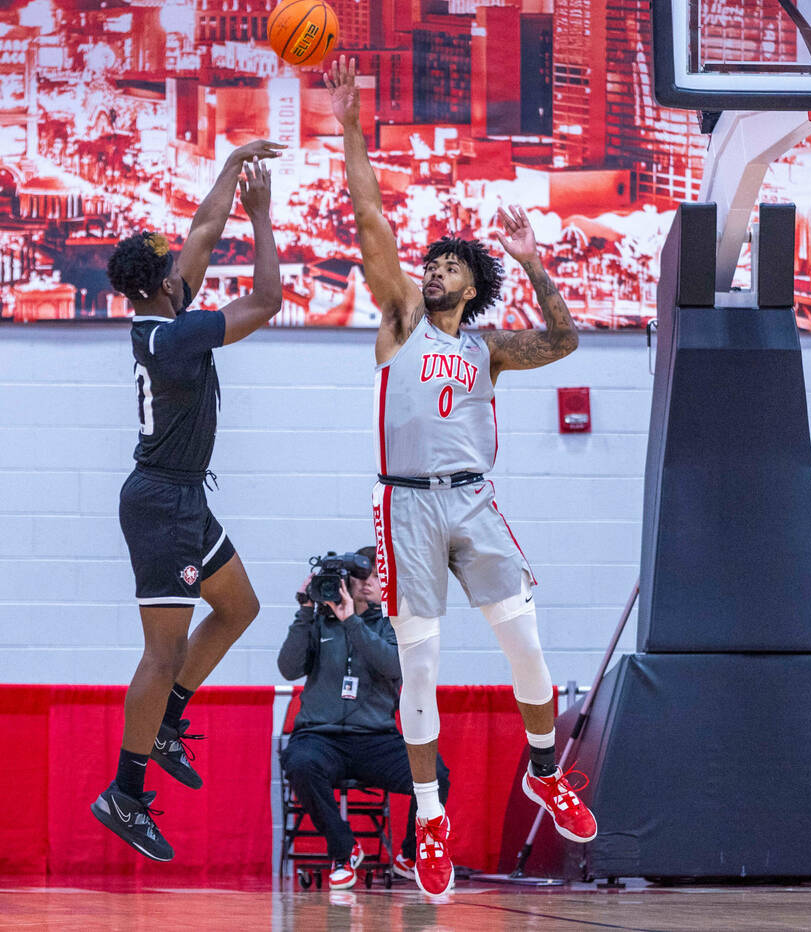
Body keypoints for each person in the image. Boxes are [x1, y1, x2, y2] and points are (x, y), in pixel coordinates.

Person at [324, 56, 594, 897]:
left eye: (449, 263)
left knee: (527, 645)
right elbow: (371, 219)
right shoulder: (402, 320)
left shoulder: (488, 348)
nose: (433, 267)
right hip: (404, 506)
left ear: (473, 284)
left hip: (474, 500)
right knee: (422, 668)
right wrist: (351, 125)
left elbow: (568, 342)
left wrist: (533, 259)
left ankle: (545, 771)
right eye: (430, 260)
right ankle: (433, 819)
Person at [91, 145, 285, 861]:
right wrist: (262, 217)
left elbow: (203, 227)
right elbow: (266, 302)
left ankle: (168, 724)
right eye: (174, 264)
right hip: (162, 504)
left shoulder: (158, 318)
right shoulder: (175, 339)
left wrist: (232, 165)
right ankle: (126, 791)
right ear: (165, 284)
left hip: (179, 500)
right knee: (162, 651)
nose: (185, 264)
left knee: (239, 608)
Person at [279, 547, 450, 891]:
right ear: (346, 581)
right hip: (319, 737)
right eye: (363, 576)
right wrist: (305, 611)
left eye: (377, 577)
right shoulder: (317, 621)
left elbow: (392, 665)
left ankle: (409, 855)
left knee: (434, 772)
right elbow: (288, 668)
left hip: (376, 737)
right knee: (299, 762)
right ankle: (344, 851)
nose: (370, 583)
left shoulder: (394, 624)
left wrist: (351, 622)